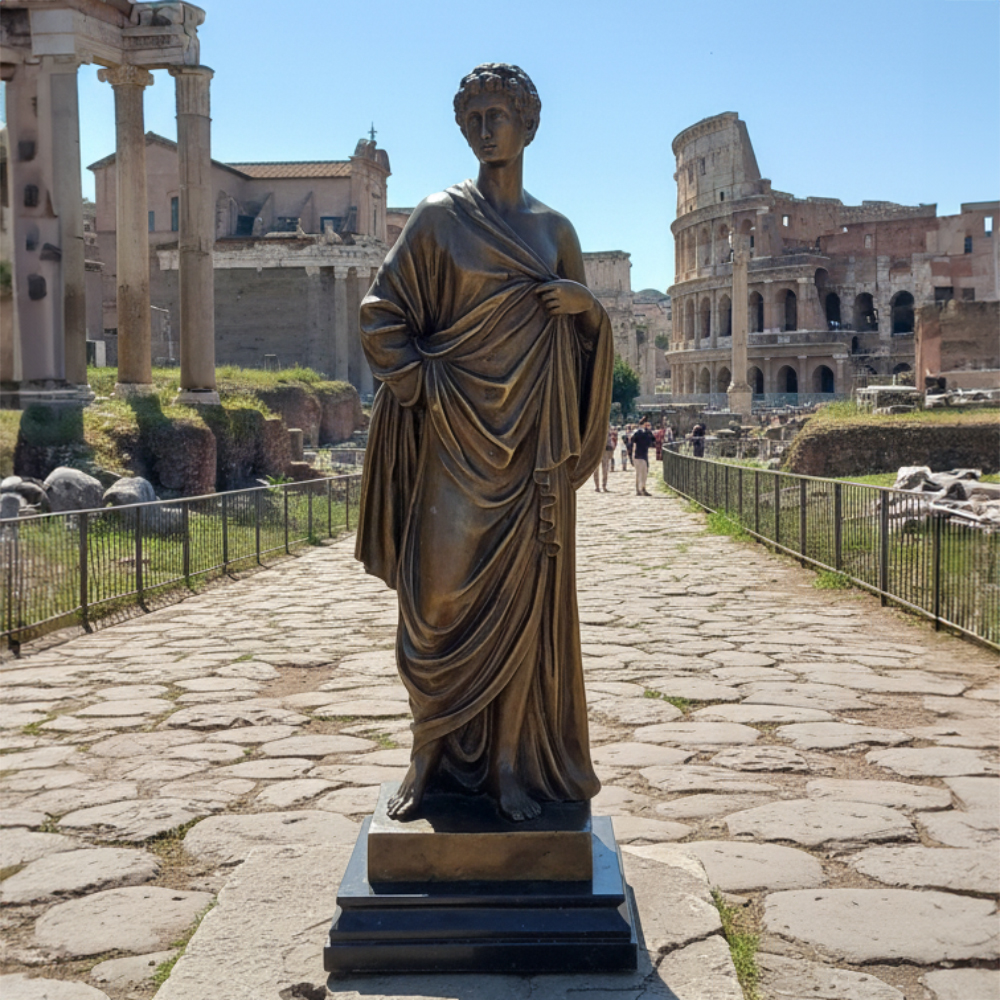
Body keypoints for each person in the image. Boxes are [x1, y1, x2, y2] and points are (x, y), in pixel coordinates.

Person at [356, 63, 611, 823]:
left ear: (529, 124)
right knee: (431, 604)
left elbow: (590, 346)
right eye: (474, 118)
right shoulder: (438, 218)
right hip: (450, 447)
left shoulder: (554, 231)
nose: (486, 127)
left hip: (531, 455)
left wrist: (589, 310)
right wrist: (427, 386)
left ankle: (506, 766)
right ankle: (426, 754)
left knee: (525, 610)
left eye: (499, 114)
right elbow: (381, 316)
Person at [630, 416, 656, 496]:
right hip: (641, 454)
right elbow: (652, 441)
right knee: (642, 473)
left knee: (640, 473)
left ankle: (639, 489)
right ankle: (642, 489)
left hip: (640, 454)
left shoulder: (638, 432)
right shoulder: (643, 432)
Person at [594, 425, 615, 491]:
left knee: (604, 469)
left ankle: (603, 485)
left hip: (604, 451)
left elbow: (610, 441)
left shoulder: (607, 428)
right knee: (596, 470)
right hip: (597, 451)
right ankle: (598, 486)